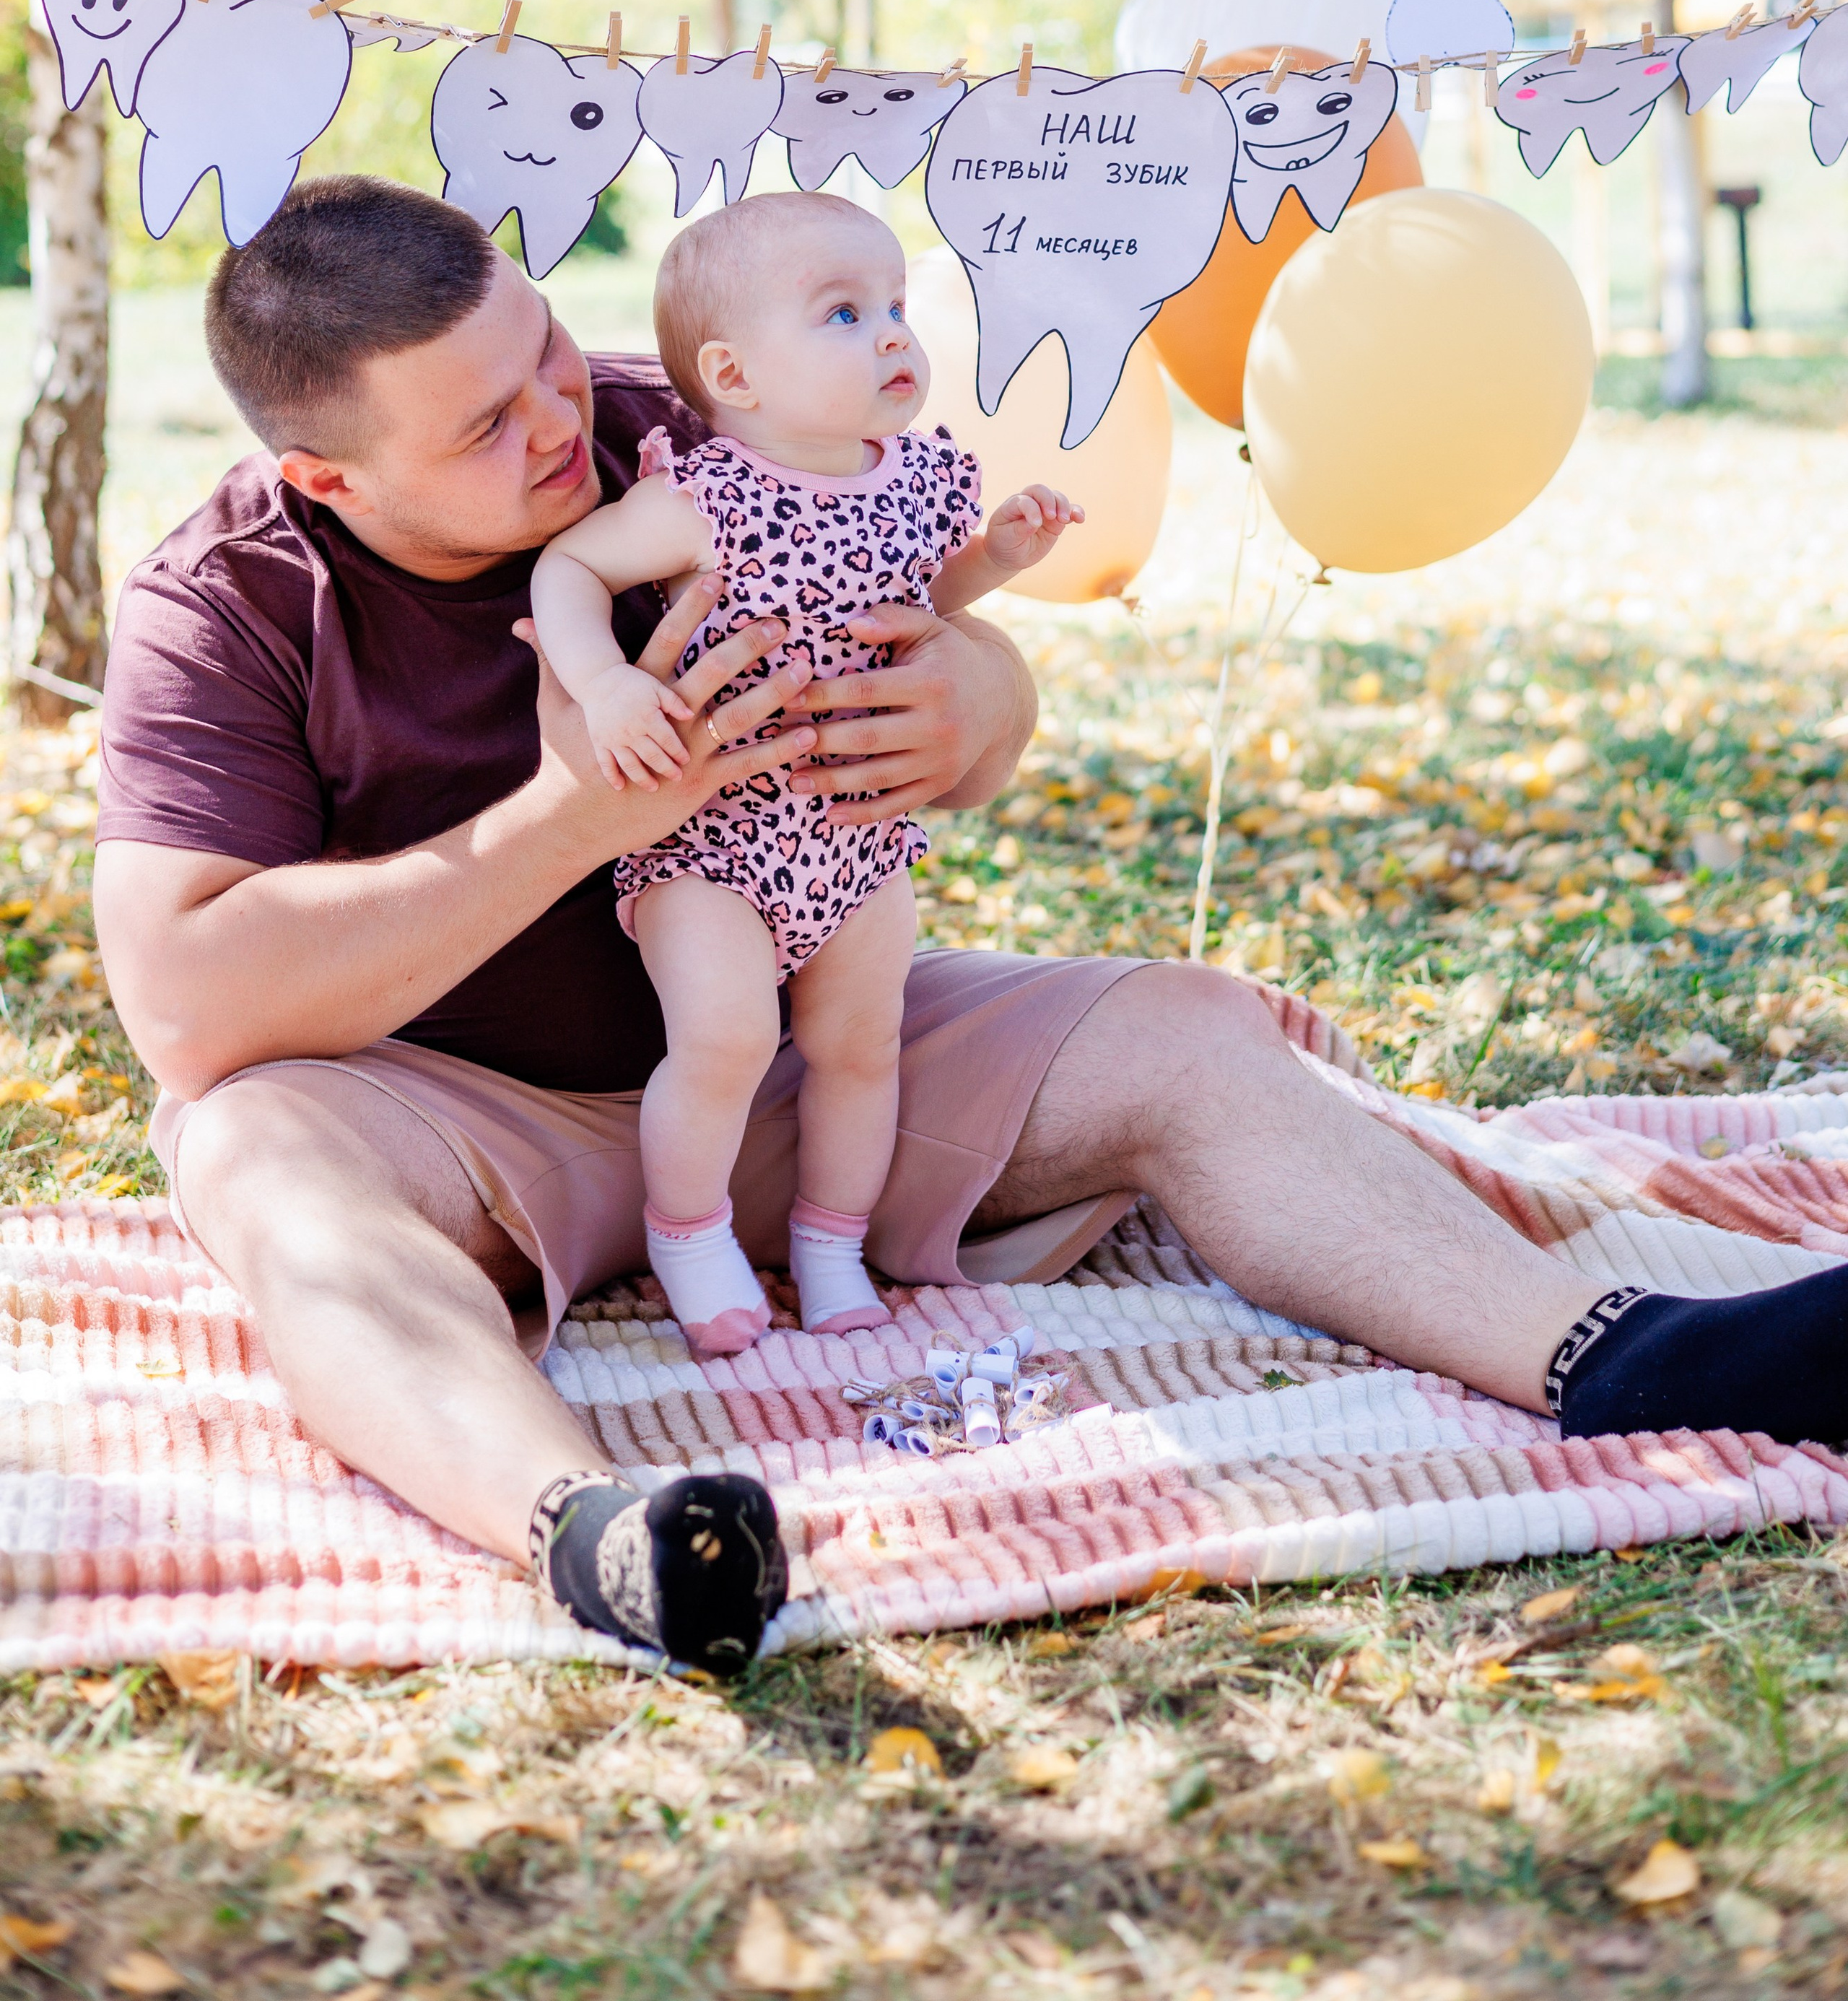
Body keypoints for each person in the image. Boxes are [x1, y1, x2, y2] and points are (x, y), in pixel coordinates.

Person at [93, 178, 1848, 1677]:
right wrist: (571, 822)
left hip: (794, 1070)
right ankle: (599, 1532)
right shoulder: (232, 595)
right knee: (250, 1154)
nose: (560, 420)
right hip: (458, 1124)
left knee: (1179, 1027)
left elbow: (959, 657)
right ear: (331, 480)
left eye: (543, 350)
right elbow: (185, 1002)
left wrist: (973, 695)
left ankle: (1629, 1356)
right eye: (480, 425)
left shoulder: (690, 426)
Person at [529, 191, 1079, 1361]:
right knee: (723, 1039)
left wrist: (999, 557)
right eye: (843, 314)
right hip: (716, 835)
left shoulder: (919, 478)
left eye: (894, 308)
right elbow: (569, 569)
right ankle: (688, 1232)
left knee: (859, 1043)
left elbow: (922, 602)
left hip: (854, 832)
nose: (893, 335)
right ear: (734, 372)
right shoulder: (704, 497)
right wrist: (606, 685)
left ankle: (833, 1243)